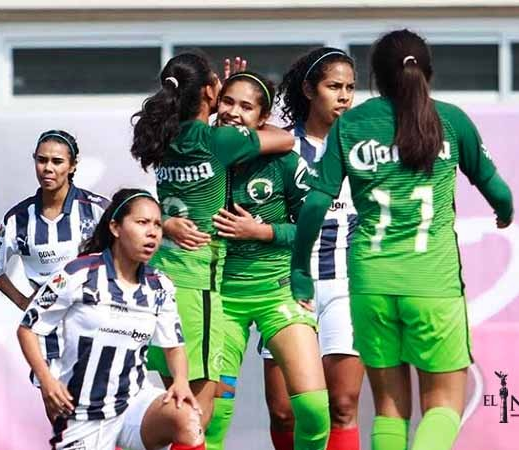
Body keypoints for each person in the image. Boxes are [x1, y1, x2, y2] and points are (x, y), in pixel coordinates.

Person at [291, 30, 514, 450]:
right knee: (445, 405)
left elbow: (316, 204)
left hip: (369, 283)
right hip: (432, 284)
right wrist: (505, 212)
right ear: (427, 72)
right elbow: (496, 189)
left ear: (375, 76)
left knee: (390, 411)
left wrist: (300, 269)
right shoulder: (451, 120)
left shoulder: (352, 124)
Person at [130, 53, 295, 429]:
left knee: (178, 405)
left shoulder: (163, 135)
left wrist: (168, 221)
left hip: (159, 280)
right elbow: (284, 139)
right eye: (220, 92)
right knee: (195, 418)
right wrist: (239, 119)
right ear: (208, 91)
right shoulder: (219, 140)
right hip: (196, 284)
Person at [17, 188, 206, 450]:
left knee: (187, 419)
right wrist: (47, 380)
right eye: (142, 223)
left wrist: (181, 382)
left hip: (133, 404)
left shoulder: (160, 285)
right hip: (81, 413)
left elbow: (174, 345)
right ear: (115, 227)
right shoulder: (76, 274)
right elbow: (28, 329)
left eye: (157, 225)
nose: (152, 232)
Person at [202, 71, 329, 450]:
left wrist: (262, 232)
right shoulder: (199, 155)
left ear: (263, 117)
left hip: (278, 293)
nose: (234, 112)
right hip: (220, 300)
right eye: (228, 102)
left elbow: (311, 226)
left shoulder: (284, 161)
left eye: (246, 106)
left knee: (314, 412)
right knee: (211, 418)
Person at [259, 47, 363, 450]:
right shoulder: (281, 145)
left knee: (341, 404)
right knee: (284, 411)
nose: (343, 97)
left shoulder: (362, 147)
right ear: (308, 89)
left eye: (350, 88)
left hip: (345, 285)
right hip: (284, 287)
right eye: (333, 86)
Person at [0, 130, 109, 394]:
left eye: (57, 161)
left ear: (72, 166)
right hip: (49, 333)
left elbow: (126, 254)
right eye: (42, 160)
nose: (48, 168)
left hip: (97, 325)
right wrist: (25, 303)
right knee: (61, 423)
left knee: (105, 420)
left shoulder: (97, 209)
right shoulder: (18, 219)